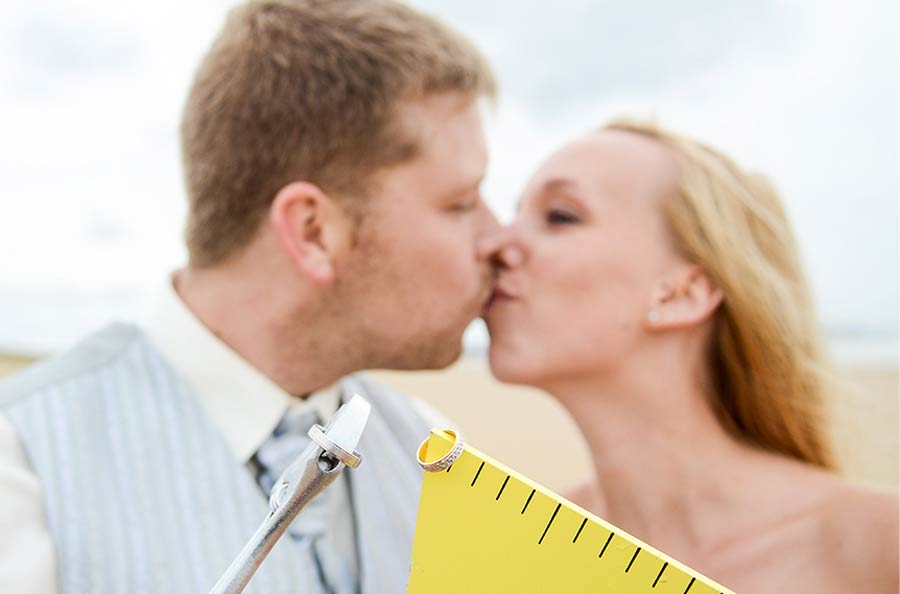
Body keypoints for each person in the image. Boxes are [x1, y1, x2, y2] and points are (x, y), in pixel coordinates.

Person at [0, 1, 502, 593]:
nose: (498, 237)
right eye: (462, 203)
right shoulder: (23, 467)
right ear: (313, 231)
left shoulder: (432, 450)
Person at [483, 120, 899, 594]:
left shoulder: (880, 550)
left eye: (560, 216)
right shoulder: (520, 555)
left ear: (684, 292)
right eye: (515, 213)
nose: (499, 244)